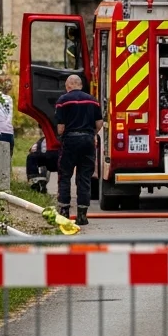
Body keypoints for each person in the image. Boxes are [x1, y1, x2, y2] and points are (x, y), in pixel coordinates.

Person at [54, 74, 104, 227]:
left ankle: (64, 212)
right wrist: (90, 135)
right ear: (81, 85)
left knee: (65, 175)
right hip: (88, 141)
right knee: (84, 177)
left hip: (70, 141)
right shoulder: (92, 100)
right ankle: (82, 215)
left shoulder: (62, 101)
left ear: (67, 86)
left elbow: (61, 128)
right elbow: (100, 123)